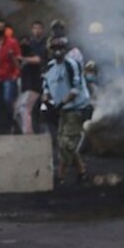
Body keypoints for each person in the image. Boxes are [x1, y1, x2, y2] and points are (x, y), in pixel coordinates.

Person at [42, 37, 92, 183]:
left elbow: (75, 88)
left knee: (67, 142)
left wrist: (61, 103)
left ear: (65, 49)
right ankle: (82, 171)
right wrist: (47, 100)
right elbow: (46, 86)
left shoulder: (72, 64)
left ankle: (60, 175)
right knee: (64, 142)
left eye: (61, 48)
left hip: (76, 108)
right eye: (54, 48)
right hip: (61, 109)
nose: (58, 51)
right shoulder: (50, 66)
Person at [0, 17, 22, 133]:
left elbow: (18, 59)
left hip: (8, 76)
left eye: (1, 27)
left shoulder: (12, 42)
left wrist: (16, 74)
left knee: (7, 100)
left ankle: (11, 123)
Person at [14, 21, 48, 134]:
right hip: (26, 85)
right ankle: (28, 130)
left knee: (28, 108)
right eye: (35, 28)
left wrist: (24, 58)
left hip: (36, 84)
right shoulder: (26, 50)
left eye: (39, 28)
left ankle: (29, 132)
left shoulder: (42, 46)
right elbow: (18, 66)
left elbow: (39, 60)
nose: (37, 31)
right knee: (20, 109)